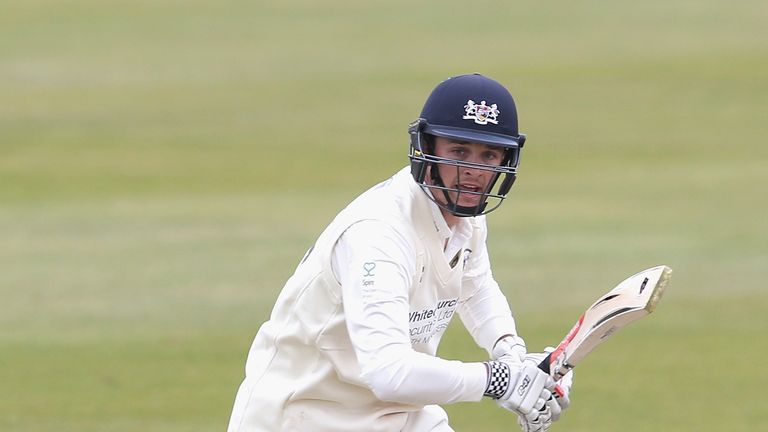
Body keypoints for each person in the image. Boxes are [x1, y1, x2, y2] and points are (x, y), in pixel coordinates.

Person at [227, 73, 574, 432]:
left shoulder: (464, 215)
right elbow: (388, 371)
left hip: (397, 414)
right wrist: (498, 380)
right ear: (427, 148)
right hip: (306, 415)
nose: (473, 171)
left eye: (488, 154)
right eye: (459, 151)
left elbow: (475, 287)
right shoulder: (379, 236)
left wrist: (512, 355)